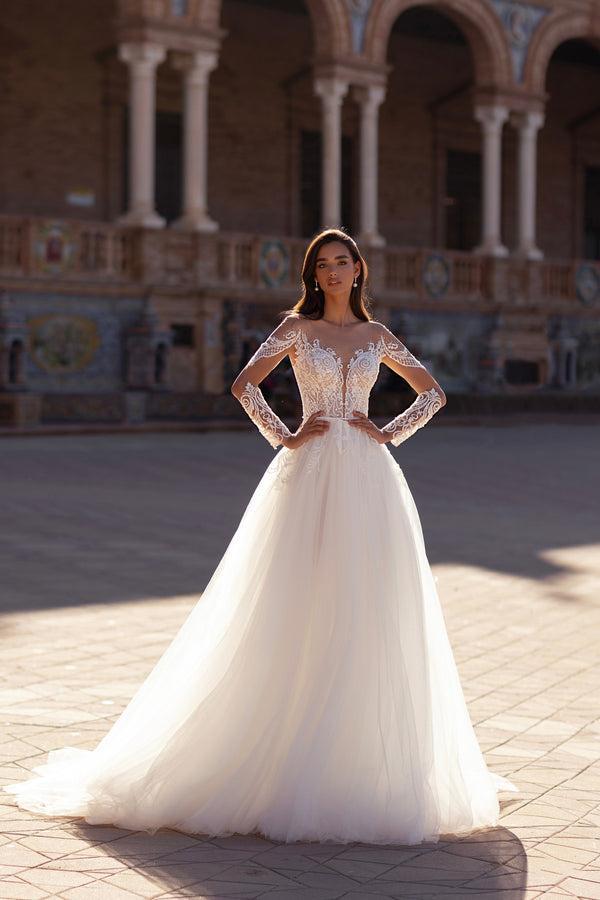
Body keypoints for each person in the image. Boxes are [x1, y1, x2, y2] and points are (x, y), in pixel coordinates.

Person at [5, 229, 514, 844]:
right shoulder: (297, 331)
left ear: (359, 270)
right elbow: (245, 384)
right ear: (313, 273)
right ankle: (276, 747)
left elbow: (431, 393)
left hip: (371, 480)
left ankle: (358, 755)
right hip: (309, 471)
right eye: (322, 264)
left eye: (342, 262)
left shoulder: (378, 336)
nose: (332, 272)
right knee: (293, 598)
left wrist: (388, 431)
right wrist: (286, 434)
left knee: (367, 604)